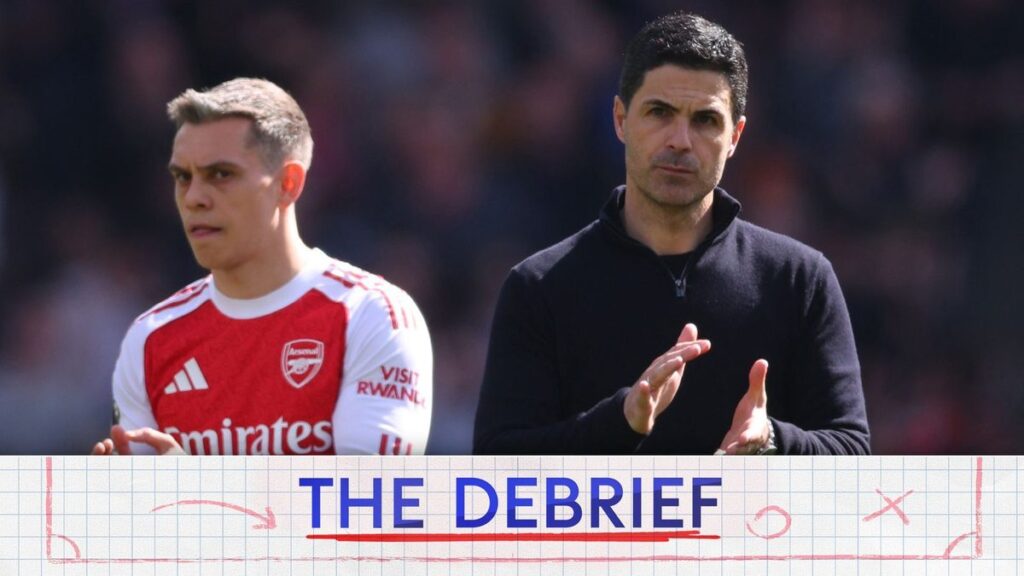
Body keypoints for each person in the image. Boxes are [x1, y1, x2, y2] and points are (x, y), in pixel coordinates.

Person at [473, 12, 870, 455]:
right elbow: (497, 468)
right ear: (621, 119)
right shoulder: (539, 288)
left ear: (735, 136)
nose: (680, 139)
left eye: (705, 120)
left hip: (756, 527)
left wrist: (773, 442)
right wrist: (622, 421)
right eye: (659, 112)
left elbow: (851, 453)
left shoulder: (800, 280)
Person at [92, 78, 432, 455]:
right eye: (182, 177)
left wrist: (194, 496)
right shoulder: (150, 339)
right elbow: (148, 508)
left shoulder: (372, 315)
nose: (194, 198)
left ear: (288, 183)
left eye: (221, 174)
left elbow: (369, 504)